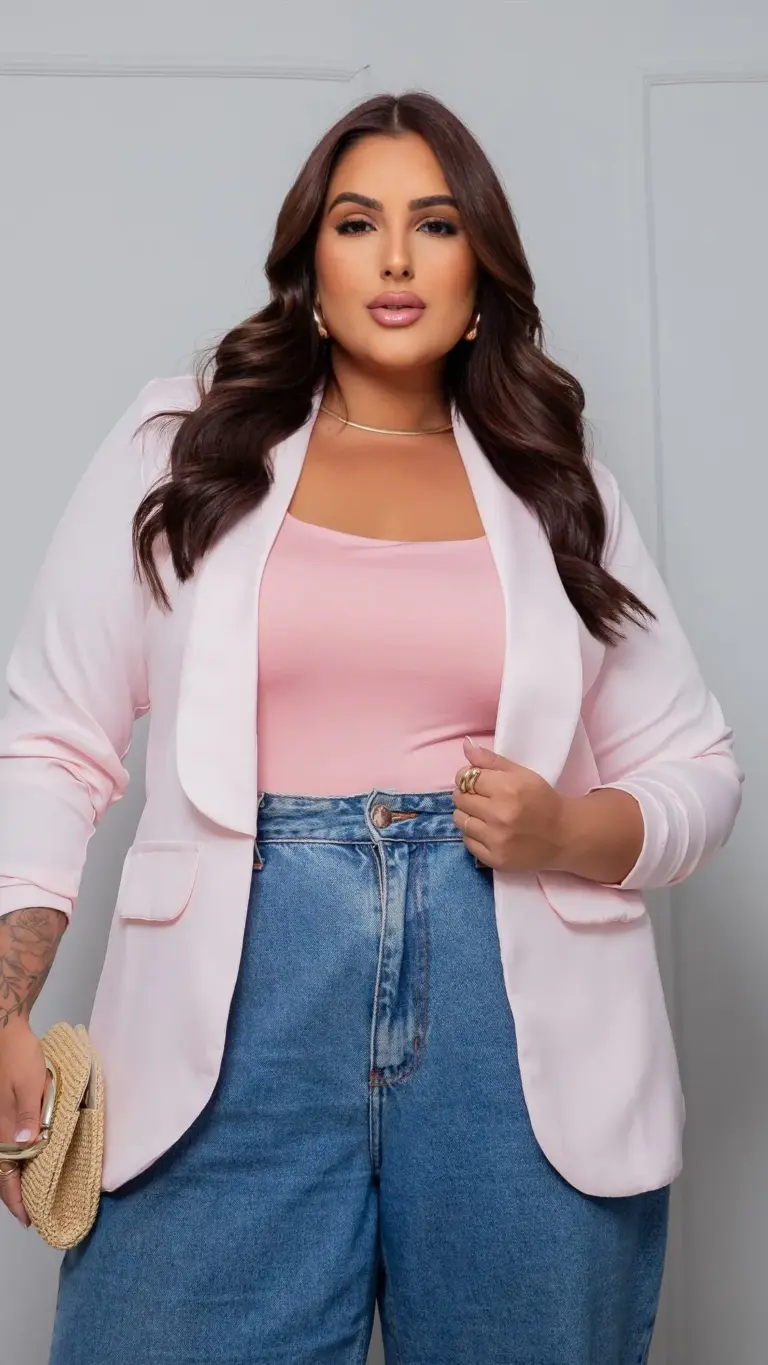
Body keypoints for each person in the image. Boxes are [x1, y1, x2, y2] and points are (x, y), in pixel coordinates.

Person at [0, 91, 742, 1364]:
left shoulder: (560, 486)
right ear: (312, 264)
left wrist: (568, 831)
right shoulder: (184, 445)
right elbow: (52, 738)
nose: (396, 258)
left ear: (481, 269)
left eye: (435, 224)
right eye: (358, 223)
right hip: (230, 1019)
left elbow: (699, 772)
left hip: (520, 1039)